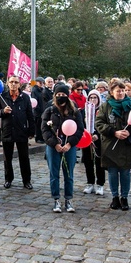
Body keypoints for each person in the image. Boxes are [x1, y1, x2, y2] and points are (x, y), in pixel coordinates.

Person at [96, 80, 131, 210]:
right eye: (118, 91)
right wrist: (114, 132)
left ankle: (124, 197)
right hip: (111, 144)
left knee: (125, 172)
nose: (121, 93)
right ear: (112, 92)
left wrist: (130, 131)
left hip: (127, 145)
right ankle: (115, 197)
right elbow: (99, 123)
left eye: (123, 90)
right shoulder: (105, 106)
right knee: (112, 172)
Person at [42, 84, 84, 213]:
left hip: (69, 146)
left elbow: (79, 129)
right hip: (53, 146)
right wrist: (55, 144)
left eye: (63, 95)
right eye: (58, 95)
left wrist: (69, 144)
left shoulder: (75, 111)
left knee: (69, 174)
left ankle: (68, 199)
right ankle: (56, 199)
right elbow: (44, 130)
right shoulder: (49, 110)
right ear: (55, 96)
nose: (61, 97)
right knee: (54, 174)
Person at [0, 75, 36, 190]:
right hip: (7, 131)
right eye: (11, 82)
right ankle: (8, 179)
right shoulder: (3, 97)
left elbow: (30, 115)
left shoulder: (25, 97)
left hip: (21, 131)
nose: (13, 84)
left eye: (16, 82)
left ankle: (26, 180)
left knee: (24, 157)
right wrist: (3, 111)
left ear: (19, 84)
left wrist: (31, 130)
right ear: (7, 83)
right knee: (7, 158)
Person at [81, 90, 106, 196]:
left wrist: (98, 135)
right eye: (91, 98)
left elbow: (104, 125)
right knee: (88, 162)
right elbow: (80, 124)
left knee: (99, 162)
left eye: (95, 98)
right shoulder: (83, 111)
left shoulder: (102, 111)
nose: (93, 100)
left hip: (99, 140)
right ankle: (90, 183)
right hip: (86, 140)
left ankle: (100, 184)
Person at [31, 76, 51, 143]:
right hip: (37, 110)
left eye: (42, 82)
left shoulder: (42, 90)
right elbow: (35, 100)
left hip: (42, 109)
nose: (41, 84)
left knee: (41, 124)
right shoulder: (34, 90)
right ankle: (38, 138)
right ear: (37, 82)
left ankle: (42, 137)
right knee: (38, 124)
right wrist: (38, 109)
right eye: (40, 82)